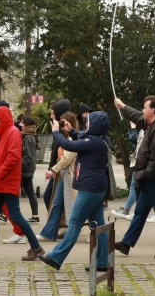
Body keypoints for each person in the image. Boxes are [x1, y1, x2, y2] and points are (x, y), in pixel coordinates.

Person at [39, 111, 111, 272]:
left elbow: (69, 145)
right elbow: (81, 138)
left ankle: (56, 257)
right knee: (100, 226)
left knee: (74, 224)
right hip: (96, 188)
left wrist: (56, 131)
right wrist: (71, 130)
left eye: (88, 122)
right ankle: (102, 262)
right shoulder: (100, 140)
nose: (86, 124)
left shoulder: (93, 142)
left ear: (95, 125)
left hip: (89, 189)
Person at [0, 106, 45, 261]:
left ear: (2, 118)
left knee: (15, 216)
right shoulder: (4, 133)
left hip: (6, 182)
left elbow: (13, 157)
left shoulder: (12, 132)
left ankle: (36, 247)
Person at [114, 96, 155, 260]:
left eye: (145, 107)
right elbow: (137, 116)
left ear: (152, 110)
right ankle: (126, 243)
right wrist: (123, 106)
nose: (143, 110)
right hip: (151, 178)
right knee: (140, 212)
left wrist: (146, 174)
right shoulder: (153, 124)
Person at [40, 112, 78, 241]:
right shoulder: (66, 139)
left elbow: (66, 158)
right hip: (63, 175)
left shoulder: (72, 139)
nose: (61, 125)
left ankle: (53, 232)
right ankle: (51, 232)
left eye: (63, 123)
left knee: (65, 204)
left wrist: (53, 170)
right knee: (57, 203)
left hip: (68, 175)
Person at [44, 99, 72, 210]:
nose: (51, 116)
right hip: (56, 170)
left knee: (50, 197)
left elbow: (65, 154)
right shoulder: (57, 129)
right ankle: (56, 224)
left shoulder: (64, 130)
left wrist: (53, 170)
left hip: (61, 170)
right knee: (54, 200)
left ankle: (57, 224)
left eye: (53, 113)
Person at [20, 116, 40, 223]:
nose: (20, 125)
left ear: (26, 125)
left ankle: (4, 214)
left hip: (25, 170)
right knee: (30, 192)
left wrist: (17, 164)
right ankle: (35, 215)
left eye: (22, 123)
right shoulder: (29, 137)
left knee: (11, 193)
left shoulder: (28, 138)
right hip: (26, 169)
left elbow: (29, 157)